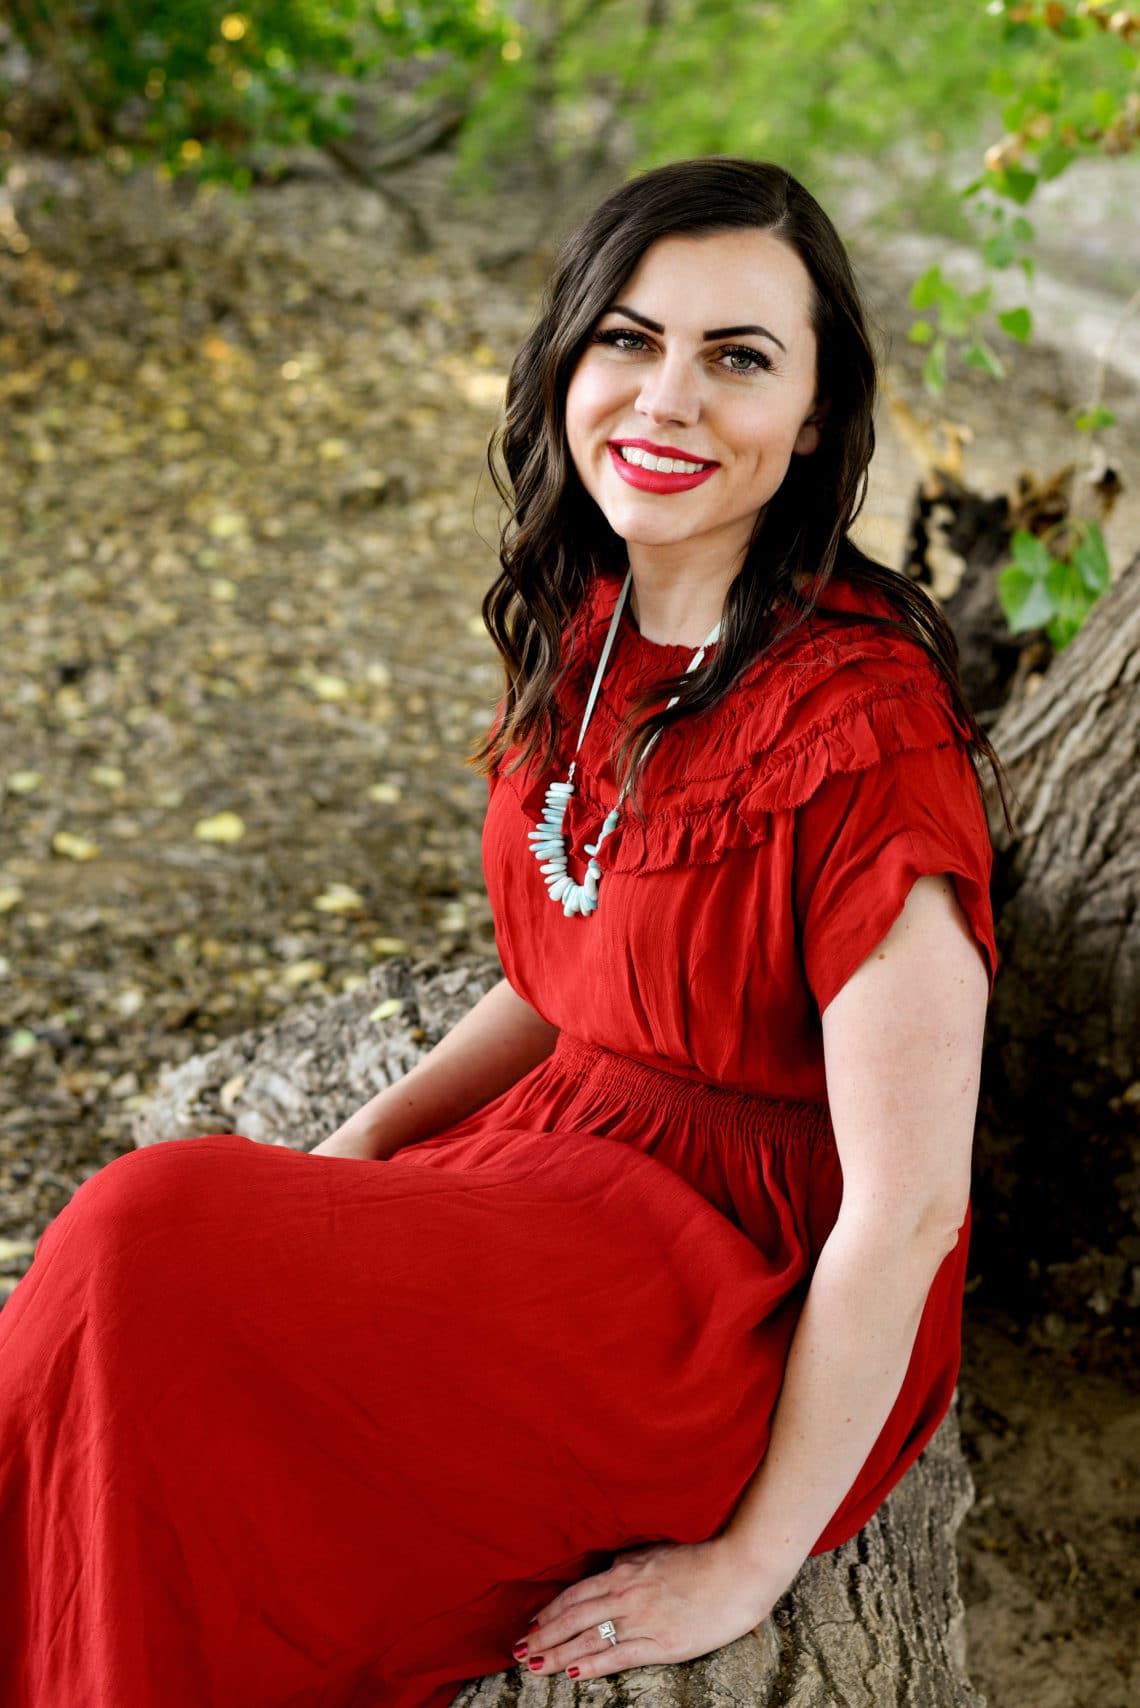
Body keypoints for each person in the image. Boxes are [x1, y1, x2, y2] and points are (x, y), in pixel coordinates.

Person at [0, 158, 1008, 1708]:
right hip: (559, 1183)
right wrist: (354, 1146)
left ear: (813, 418)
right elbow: (569, 983)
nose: (668, 398)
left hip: (724, 1300)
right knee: (123, 1301)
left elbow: (909, 1209)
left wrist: (749, 1560)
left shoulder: (865, 735)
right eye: (628, 338)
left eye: (738, 357)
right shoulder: (598, 627)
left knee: (146, 1244)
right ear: (566, 365)